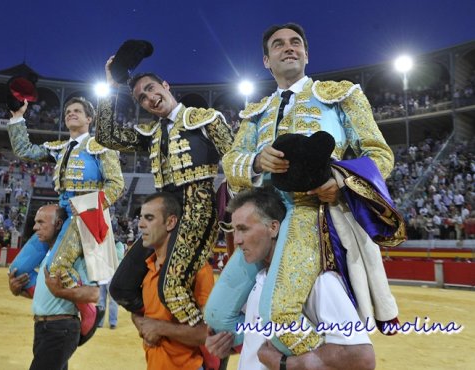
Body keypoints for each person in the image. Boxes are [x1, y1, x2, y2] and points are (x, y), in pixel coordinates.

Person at [220, 23, 405, 355]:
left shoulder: (342, 96)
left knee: (283, 313)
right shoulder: (255, 113)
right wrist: (258, 162)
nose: (288, 48)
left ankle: (322, 362)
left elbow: (379, 154)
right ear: (266, 60)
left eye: (296, 43)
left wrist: (342, 183)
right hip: (263, 218)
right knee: (224, 315)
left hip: (314, 212)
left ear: (306, 53)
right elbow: (231, 162)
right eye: (279, 44)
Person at [95, 59, 234, 327]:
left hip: (197, 208)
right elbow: (106, 137)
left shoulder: (205, 119)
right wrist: (111, 87)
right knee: (121, 287)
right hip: (162, 213)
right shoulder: (150, 133)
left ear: (166, 86)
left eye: (151, 88)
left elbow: (233, 162)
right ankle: (165, 327)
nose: (149, 98)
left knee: (172, 289)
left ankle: (208, 349)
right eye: (141, 98)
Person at [205, 187, 375, 370]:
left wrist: (284, 364)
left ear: (273, 228)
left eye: (243, 229)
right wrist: (227, 346)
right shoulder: (256, 280)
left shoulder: (320, 282)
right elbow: (259, 342)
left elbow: (362, 359)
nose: (237, 240)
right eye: (234, 231)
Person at [7, 96, 124, 338]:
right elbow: (24, 150)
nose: (71, 114)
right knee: (18, 270)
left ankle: (89, 310)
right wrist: (18, 117)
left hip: (85, 212)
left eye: (78, 111)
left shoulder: (100, 146)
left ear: (89, 118)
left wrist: (93, 208)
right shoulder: (60, 148)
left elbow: (116, 184)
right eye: (68, 111)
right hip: (60, 213)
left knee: (57, 267)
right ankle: (55, 301)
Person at [8, 204, 100, 370]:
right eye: (36, 222)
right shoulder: (49, 257)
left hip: (60, 329)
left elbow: (94, 294)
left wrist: (60, 291)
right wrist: (18, 291)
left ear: (58, 224)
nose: (35, 227)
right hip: (45, 329)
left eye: (41, 222)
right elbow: (49, 294)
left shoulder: (75, 257)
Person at [131, 192, 214, 370]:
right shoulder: (148, 266)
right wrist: (142, 325)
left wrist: (159, 328)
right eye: (141, 218)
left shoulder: (198, 270)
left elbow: (208, 334)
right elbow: (139, 312)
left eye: (149, 218)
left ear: (170, 222)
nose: (140, 225)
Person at [97, 240, 125, 329]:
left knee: (113, 301)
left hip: (112, 277)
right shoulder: (101, 244)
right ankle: (99, 322)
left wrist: (108, 248)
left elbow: (119, 256)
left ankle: (113, 322)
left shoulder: (118, 244)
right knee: (101, 301)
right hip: (101, 277)